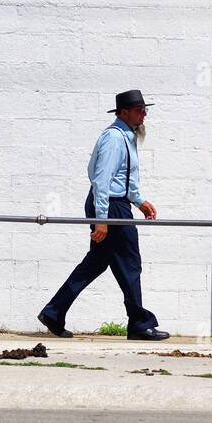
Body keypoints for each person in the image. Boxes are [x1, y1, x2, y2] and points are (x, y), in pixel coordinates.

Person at [38, 90, 169, 341]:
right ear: (124, 112)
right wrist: (101, 219)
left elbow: (123, 178)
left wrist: (139, 201)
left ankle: (54, 312)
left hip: (116, 203)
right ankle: (140, 324)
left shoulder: (126, 137)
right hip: (109, 206)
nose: (144, 115)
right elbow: (101, 180)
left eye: (145, 110)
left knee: (95, 263)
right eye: (139, 110)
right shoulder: (113, 138)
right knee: (130, 263)